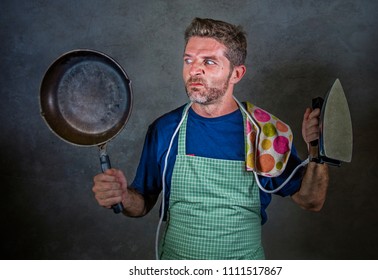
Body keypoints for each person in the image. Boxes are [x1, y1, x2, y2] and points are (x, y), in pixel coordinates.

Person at [92, 17, 329, 260]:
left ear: (236, 73)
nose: (194, 69)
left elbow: (311, 201)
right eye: (188, 60)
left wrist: (315, 151)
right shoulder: (165, 129)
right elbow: (141, 203)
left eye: (209, 61)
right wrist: (122, 196)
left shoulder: (265, 131)